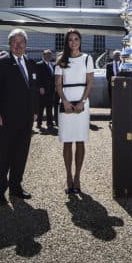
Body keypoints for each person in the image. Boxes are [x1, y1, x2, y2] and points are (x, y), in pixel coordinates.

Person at [0, 28, 40, 205]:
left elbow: (33, 91)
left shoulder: (31, 63)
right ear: (10, 44)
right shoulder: (1, 63)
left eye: (21, 42)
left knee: (20, 154)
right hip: (6, 118)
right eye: (15, 42)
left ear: (26, 44)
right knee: (3, 156)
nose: (18, 46)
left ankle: (16, 186)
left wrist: (34, 111)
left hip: (26, 119)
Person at [55, 29, 96, 194]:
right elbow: (58, 84)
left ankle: (77, 176)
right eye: (70, 40)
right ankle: (68, 177)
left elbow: (90, 83)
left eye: (76, 39)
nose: (73, 42)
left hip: (81, 101)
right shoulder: (61, 60)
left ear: (80, 41)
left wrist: (82, 101)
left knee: (80, 140)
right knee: (67, 141)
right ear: (67, 42)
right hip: (65, 101)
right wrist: (64, 101)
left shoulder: (87, 59)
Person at [35, 49, 58, 132]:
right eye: (47, 55)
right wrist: (40, 87)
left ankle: (49, 123)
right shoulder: (39, 65)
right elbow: (37, 77)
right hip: (42, 90)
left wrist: (55, 86)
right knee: (40, 108)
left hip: (51, 90)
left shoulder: (52, 65)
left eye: (50, 55)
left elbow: (53, 77)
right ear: (43, 55)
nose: (48, 56)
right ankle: (39, 123)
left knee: (49, 107)